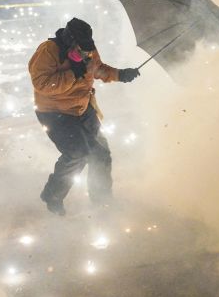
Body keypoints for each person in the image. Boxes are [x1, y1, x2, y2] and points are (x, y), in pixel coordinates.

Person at [28, 17, 141, 216]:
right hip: (54, 112)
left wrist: (120, 75)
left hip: (83, 108)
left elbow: (97, 68)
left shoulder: (87, 48)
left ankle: (102, 202)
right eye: (81, 49)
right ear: (69, 41)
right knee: (77, 153)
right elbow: (42, 84)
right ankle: (52, 196)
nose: (86, 52)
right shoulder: (48, 51)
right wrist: (73, 74)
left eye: (88, 48)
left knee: (101, 154)